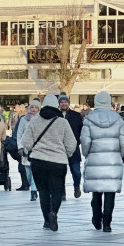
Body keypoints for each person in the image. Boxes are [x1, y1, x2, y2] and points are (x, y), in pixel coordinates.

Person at [18, 93, 77, 232]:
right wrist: (66, 154)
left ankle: (46, 220)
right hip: (58, 162)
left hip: (39, 161)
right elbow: (71, 143)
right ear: (57, 105)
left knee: (43, 191)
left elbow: (25, 141)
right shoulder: (62, 122)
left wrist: (31, 151)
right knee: (57, 191)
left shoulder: (34, 121)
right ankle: (54, 213)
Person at [79, 91, 124, 232]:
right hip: (112, 159)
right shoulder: (118, 119)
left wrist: (86, 153)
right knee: (110, 192)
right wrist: (121, 153)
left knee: (96, 192)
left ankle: (96, 218)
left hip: (95, 158)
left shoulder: (89, 119)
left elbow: (85, 140)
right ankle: (107, 222)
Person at [58, 94, 84, 198]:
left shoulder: (76, 115)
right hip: (59, 148)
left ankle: (76, 186)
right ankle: (62, 191)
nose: (64, 104)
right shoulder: (56, 115)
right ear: (59, 104)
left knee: (76, 171)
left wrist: (77, 141)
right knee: (60, 172)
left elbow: (81, 130)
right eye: (62, 102)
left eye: (65, 102)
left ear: (68, 103)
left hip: (74, 147)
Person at [15, 100, 41, 201]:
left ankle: (34, 190)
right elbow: (19, 134)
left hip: (37, 149)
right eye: (32, 107)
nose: (33, 110)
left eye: (36, 108)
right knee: (28, 172)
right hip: (25, 149)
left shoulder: (41, 120)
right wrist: (20, 147)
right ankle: (32, 186)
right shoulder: (23, 120)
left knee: (35, 170)